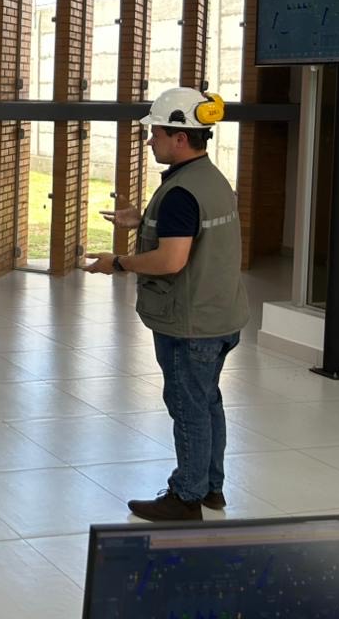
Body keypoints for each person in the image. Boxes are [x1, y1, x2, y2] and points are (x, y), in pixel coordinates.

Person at [86, 87, 248, 522]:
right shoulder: (210, 179)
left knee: (188, 407)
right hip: (221, 315)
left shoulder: (180, 192)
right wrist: (143, 221)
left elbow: (171, 260)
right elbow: (194, 232)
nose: (149, 140)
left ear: (180, 137)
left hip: (189, 323)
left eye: (155, 133)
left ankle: (186, 497)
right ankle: (211, 488)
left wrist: (118, 262)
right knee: (207, 401)